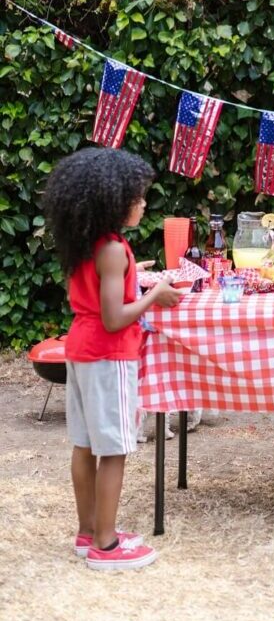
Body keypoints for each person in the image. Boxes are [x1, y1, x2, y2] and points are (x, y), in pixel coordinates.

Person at [42, 147, 182, 570]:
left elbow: (101, 292)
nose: (142, 203)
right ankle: (106, 545)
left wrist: (131, 275)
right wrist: (154, 293)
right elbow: (115, 317)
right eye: (136, 197)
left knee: (85, 445)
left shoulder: (89, 243)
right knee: (115, 448)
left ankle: (88, 533)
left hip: (82, 350)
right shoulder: (113, 250)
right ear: (112, 200)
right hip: (109, 356)